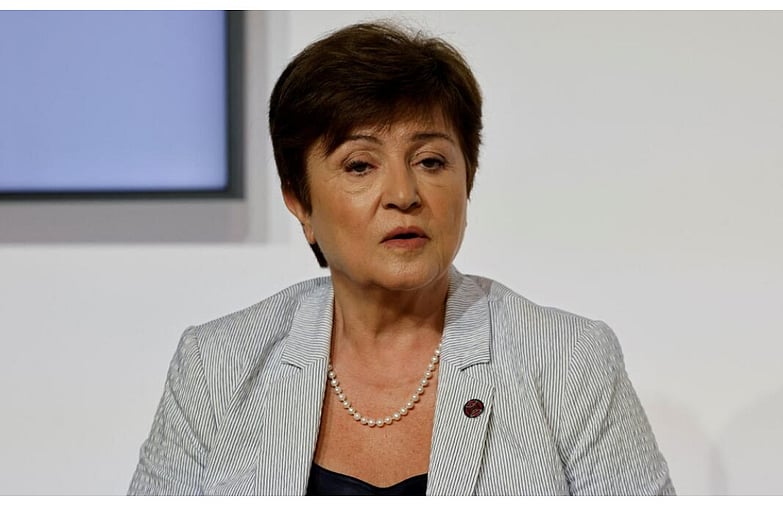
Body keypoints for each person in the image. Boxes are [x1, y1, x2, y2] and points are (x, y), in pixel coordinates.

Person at [128, 21, 674, 496]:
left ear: (468, 182)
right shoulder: (217, 366)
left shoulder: (569, 362)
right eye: (360, 165)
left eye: (431, 160)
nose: (404, 194)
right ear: (300, 201)